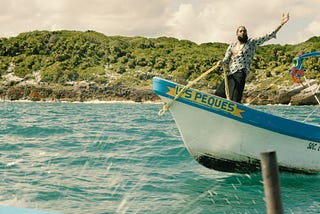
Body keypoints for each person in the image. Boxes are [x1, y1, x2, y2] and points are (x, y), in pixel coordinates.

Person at [215, 13, 290, 103]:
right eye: (241, 31)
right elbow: (226, 61)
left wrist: (281, 24)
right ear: (237, 33)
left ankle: (236, 110)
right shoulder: (232, 46)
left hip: (241, 73)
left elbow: (268, 36)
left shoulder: (251, 42)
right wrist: (221, 63)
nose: (243, 32)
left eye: (244, 31)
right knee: (218, 94)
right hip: (231, 74)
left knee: (234, 98)